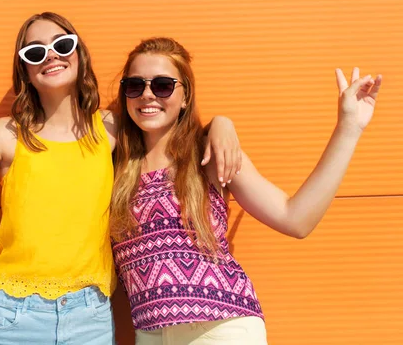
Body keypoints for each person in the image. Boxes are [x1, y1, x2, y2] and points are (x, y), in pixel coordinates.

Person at [0, 12, 241, 344]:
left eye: (61, 45)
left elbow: (171, 120)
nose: (51, 55)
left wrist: (220, 125)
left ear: (79, 54)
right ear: (25, 70)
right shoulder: (6, 136)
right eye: (35, 52)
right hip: (12, 317)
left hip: (90, 318)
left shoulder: (113, 127)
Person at [108, 37, 381, 345]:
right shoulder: (115, 165)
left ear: (186, 96)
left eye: (162, 85)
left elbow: (295, 218)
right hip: (151, 333)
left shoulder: (208, 153)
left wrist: (348, 128)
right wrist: (221, 122)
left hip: (221, 327)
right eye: (134, 85)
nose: (147, 95)